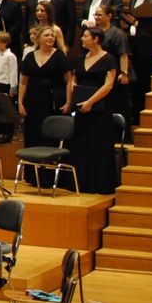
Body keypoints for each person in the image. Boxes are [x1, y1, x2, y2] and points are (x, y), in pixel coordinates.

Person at [66, 28, 121, 194]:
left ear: (96, 39)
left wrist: (90, 101)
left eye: (85, 36)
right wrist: (75, 94)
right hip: (82, 107)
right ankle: (81, 184)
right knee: (81, 144)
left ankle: (100, 185)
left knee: (99, 145)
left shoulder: (109, 59)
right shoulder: (81, 58)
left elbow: (109, 85)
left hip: (100, 109)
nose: (82, 38)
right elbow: (74, 78)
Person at [18, 26, 69, 148]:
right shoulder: (30, 56)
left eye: (52, 35)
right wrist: (20, 103)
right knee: (32, 132)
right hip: (32, 100)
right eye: (47, 35)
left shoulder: (60, 55)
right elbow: (23, 82)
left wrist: (68, 102)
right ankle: (32, 166)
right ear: (38, 38)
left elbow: (68, 81)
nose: (51, 37)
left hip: (52, 101)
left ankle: (49, 165)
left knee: (50, 134)